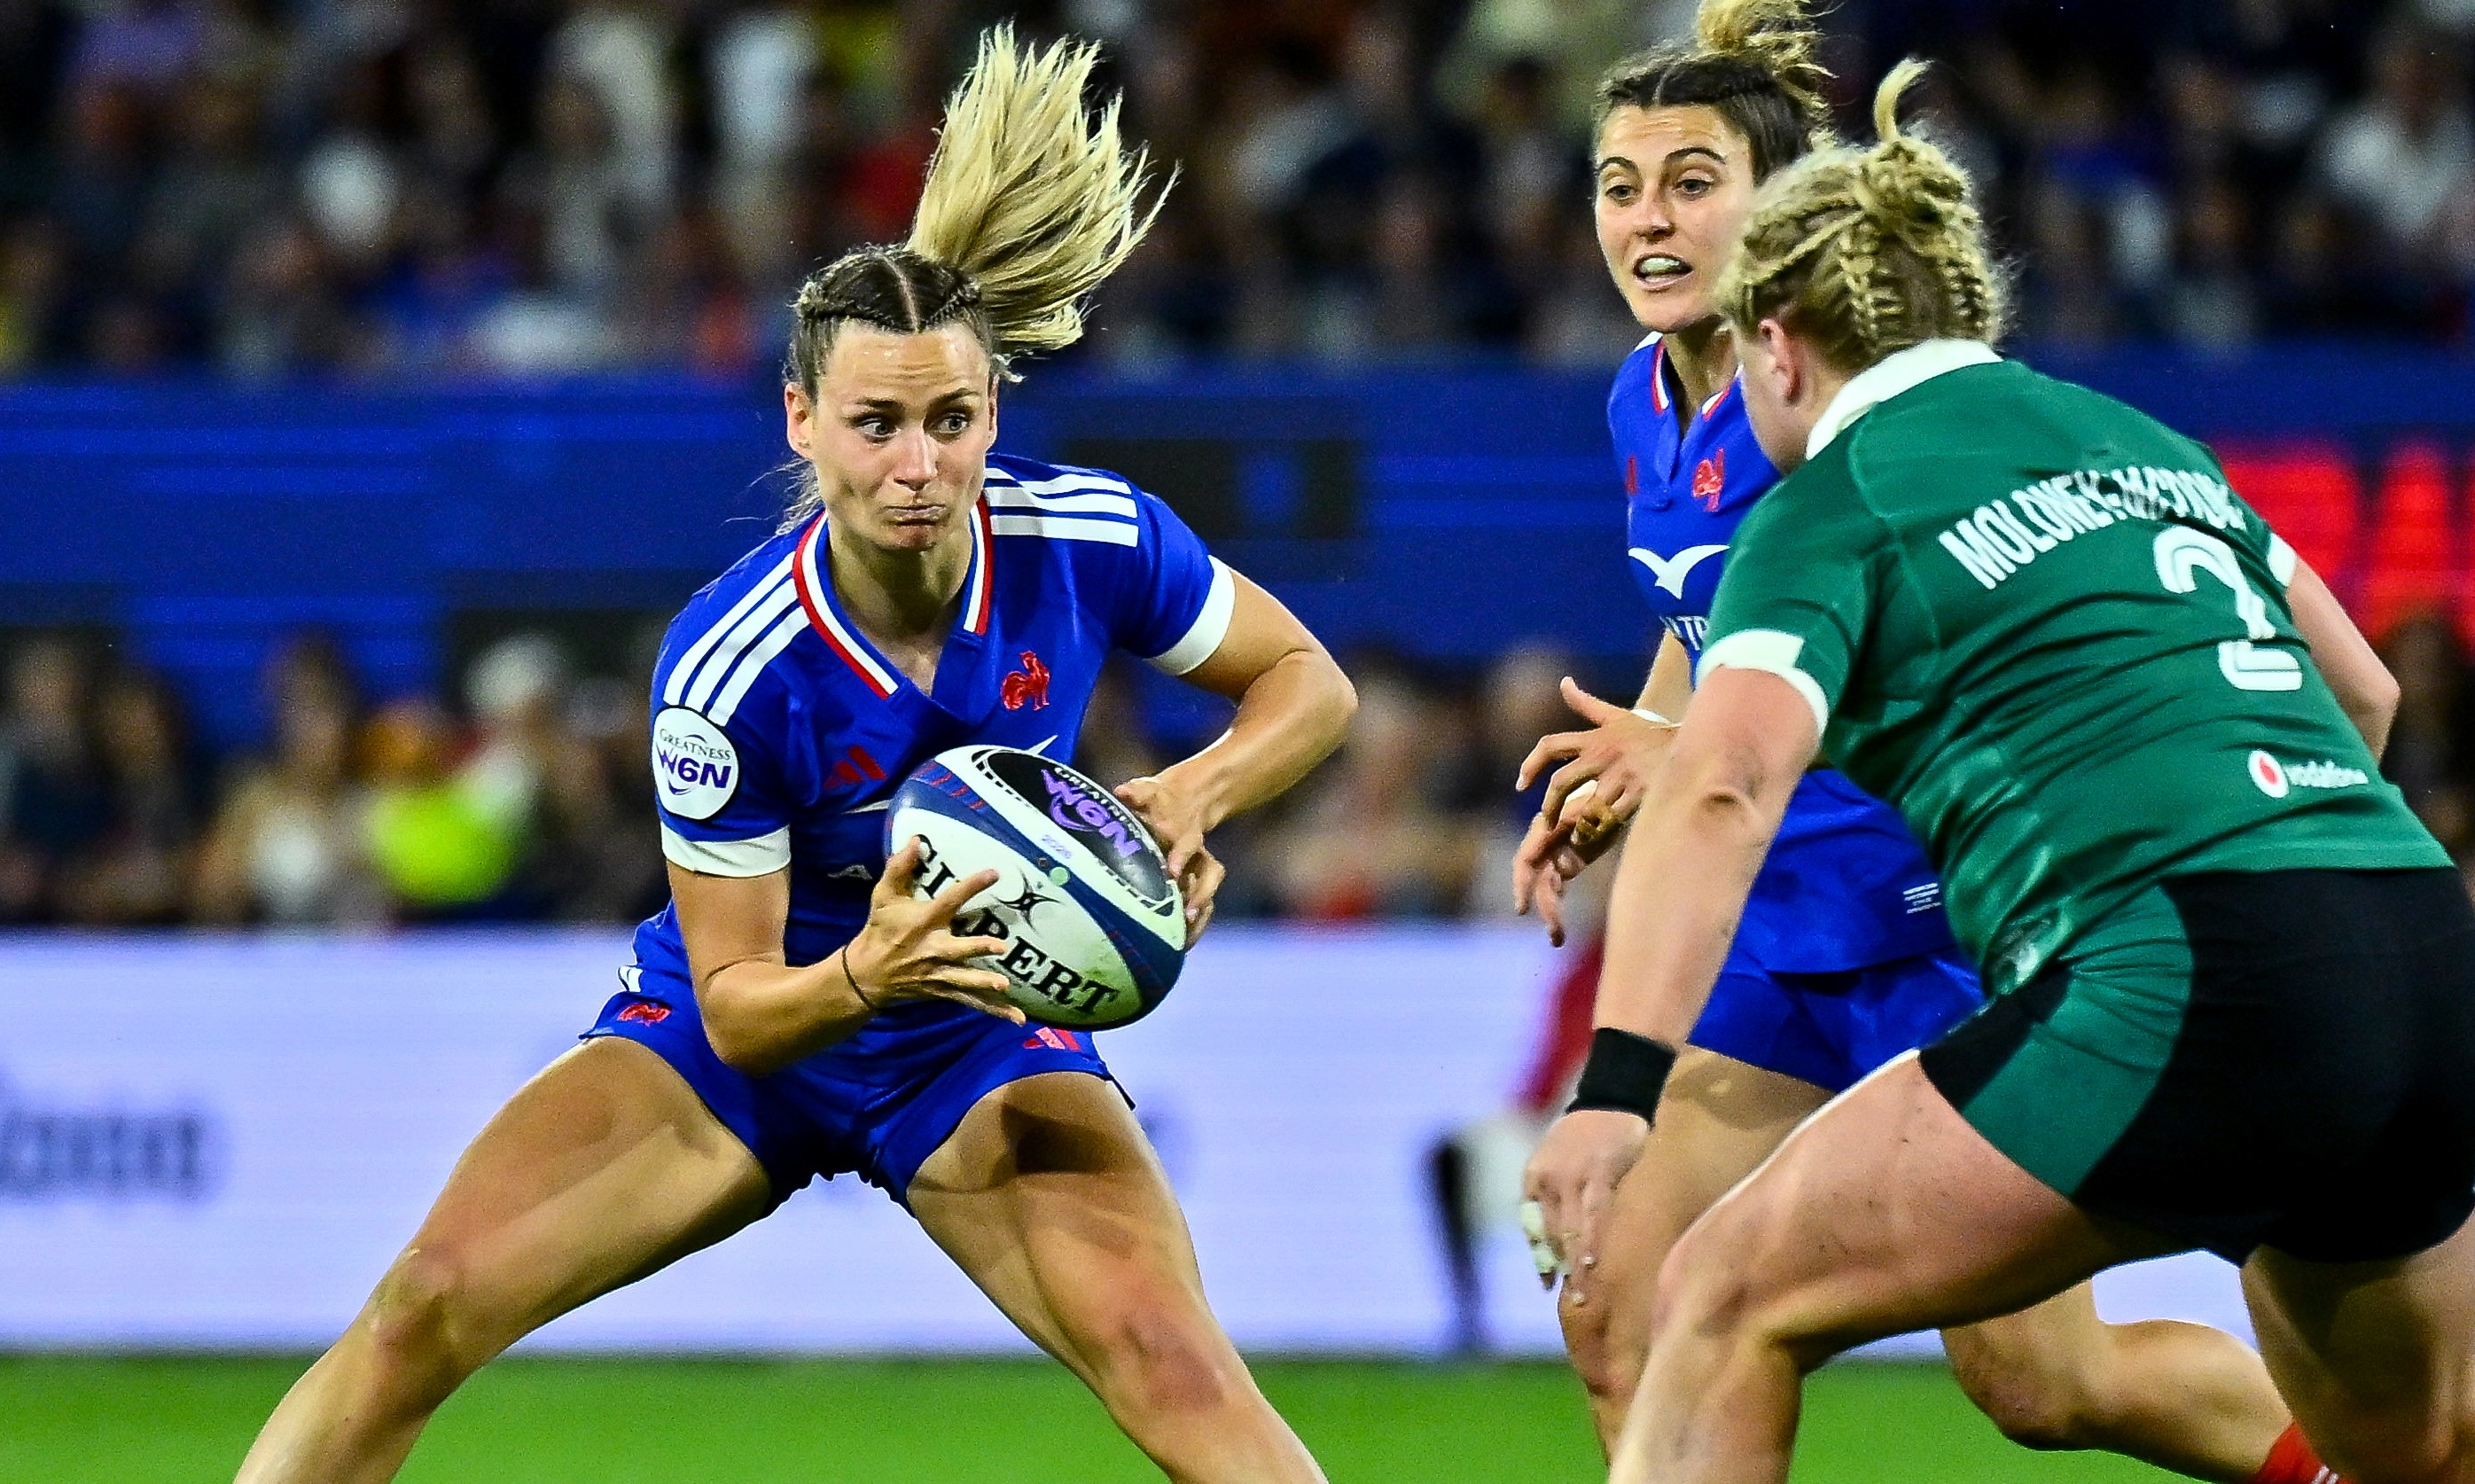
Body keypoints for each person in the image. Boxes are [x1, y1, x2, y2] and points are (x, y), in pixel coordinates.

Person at [234, 31, 1355, 1484]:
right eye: (877, 424)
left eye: (951, 421)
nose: (917, 465)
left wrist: (1191, 796)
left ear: (993, 417)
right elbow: (741, 1000)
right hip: (751, 1036)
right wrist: (863, 976)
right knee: (422, 1308)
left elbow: (1307, 683)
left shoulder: (1087, 538)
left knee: (1177, 1367)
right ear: (802, 423)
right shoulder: (730, 668)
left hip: (974, 1028)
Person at [1542, 60, 2475, 1484]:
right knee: (2419, 1447)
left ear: (1780, 340)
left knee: (1752, 1307)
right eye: (1621, 186)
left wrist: (1610, 1080)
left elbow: (1731, 785)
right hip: (2406, 929)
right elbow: (2368, 686)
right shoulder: (2132, 438)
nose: (1650, 222)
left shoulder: (1829, 491)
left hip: (2094, 958)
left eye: (1690, 185)